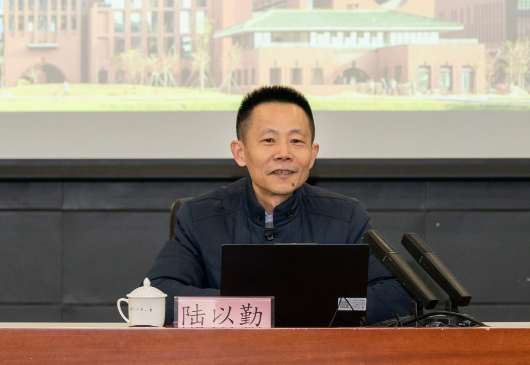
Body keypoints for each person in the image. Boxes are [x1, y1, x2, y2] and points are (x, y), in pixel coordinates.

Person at [144, 85, 414, 324]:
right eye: (268, 140)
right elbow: (159, 293)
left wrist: (320, 306)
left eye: (296, 141)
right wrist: (253, 308)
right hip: (230, 359)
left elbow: (395, 294)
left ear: (312, 155)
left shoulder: (346, 217)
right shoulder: (200, 216)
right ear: (240, 152)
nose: (284, 153)